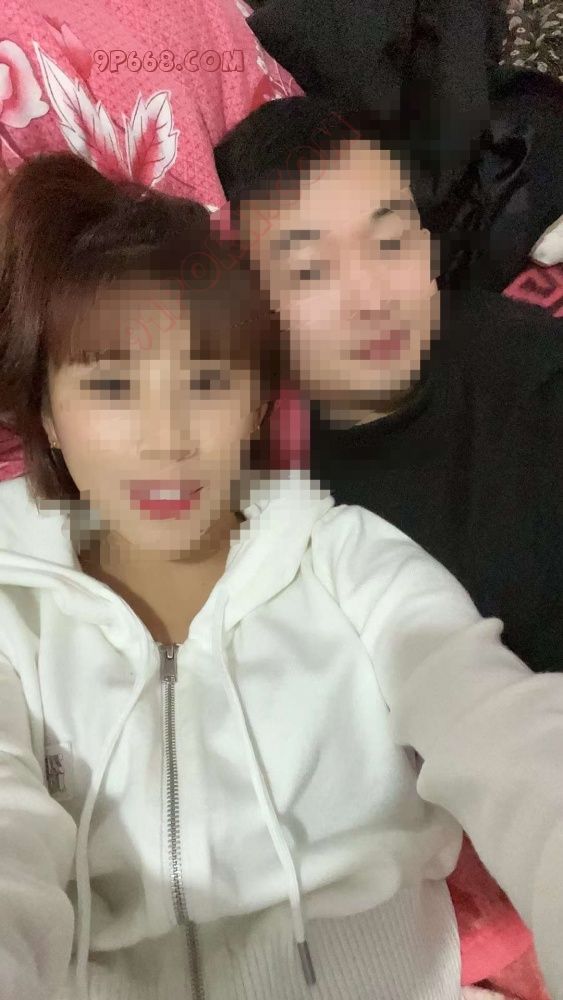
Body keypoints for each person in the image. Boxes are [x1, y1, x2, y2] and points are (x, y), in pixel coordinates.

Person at [2, 151, 563, 1000]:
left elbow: (507, 732)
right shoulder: (12, 605)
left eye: (206, 381)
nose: (166, 438)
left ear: (258, 402)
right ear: (47, 412)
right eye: (111, 386)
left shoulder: (348, 562)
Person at [214, 94, 563, 677]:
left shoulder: (531, 367)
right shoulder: (260, 502)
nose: (373, 300)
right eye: (309, 270)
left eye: (391, 241)